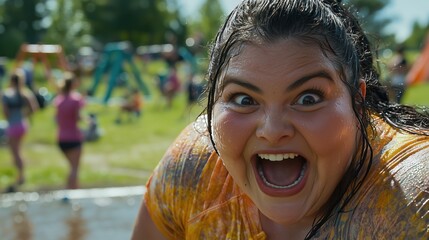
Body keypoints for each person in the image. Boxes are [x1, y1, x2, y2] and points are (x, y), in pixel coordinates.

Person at [131, 0, 429, 239]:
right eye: (244, 100)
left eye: (308, 98)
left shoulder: (413, 200)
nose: (272, 130)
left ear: (358, 102)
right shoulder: (195, 173)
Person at [1, 68, 39, 192]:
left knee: (15, 153)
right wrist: (24, 114)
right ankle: (20, 175)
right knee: (18, 151)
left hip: (13, 125)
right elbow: (34, 108)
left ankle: (21, 176)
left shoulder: (7, 94)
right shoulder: (25, 93)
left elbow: (5, 113)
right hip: (23, 124)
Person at [53, 72, 85, 190]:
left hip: (61, 138)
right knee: (75, 168)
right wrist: (88, 120)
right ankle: (72, 190)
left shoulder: (59, 100)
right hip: (74, 137)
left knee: (71, 167)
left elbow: (57, 118)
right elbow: (77, 117)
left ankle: (70, 189)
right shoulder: (75, 99)